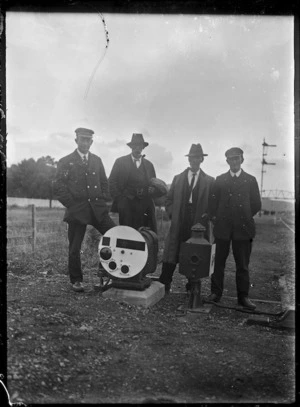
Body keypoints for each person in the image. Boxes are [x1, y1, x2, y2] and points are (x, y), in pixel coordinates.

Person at [54, 127, 116, 292]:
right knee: (74, 248)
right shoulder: (66, 161)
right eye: (82, 139)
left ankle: (112, 275)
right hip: (77, 210)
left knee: (115, 235)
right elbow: (59, 187)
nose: (85, 143)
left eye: (88, 140)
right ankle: (77, 281)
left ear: (92, 142)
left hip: (97, 209)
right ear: (76, 141)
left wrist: (102, 199)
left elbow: (104, 182)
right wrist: (72, 205)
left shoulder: (97, 160)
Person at [207, 147, 261, 309]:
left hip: (243, 229)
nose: (234, 162)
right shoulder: (220, 180)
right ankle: (216, 293)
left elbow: (256, 204)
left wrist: (242, 216)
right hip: (223, 228)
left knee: (242, 265)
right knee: (218, 264)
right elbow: (212, 203)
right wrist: (217, 218)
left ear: (242, 160)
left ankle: (243, 297)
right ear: (227, 162)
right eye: (231, 159)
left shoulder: (250, 180)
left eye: (237, 158)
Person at [158, 144, 214, 293]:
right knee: (172, 251)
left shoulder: (209, 181)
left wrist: (206, 215)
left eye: (197, 158)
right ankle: (165, 283)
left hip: (198, 224)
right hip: (180, 220)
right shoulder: (178, 179)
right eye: (192, 158)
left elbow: (213, 203)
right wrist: (172, 214)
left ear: (202, 159)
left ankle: (192, 287)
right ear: (188, 160)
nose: (194, 161)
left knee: (194, 253)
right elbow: (168, 200)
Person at [109, 133, 158, 233]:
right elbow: (112, 182)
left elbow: (154, 184)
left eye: (140, 146)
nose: (137, 148)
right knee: (126, 233)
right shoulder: (120, 162)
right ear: (131, 147)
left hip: (144, 205)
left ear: (143, 148)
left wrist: (152, 190)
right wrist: (120, 200)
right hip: (126, 204)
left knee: (144, 233)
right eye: (135, 146)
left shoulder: (149, 165)